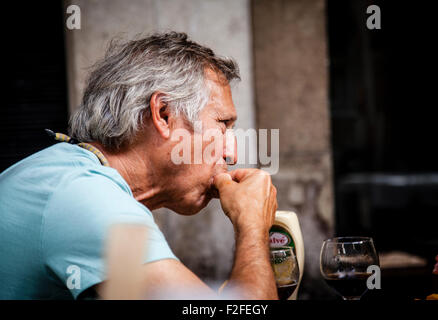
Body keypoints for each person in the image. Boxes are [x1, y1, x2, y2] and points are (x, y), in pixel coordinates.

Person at [0, 32, 278, 299]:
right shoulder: (85, 201)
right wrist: (252, 224)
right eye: (222, 125)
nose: (232, 154)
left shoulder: (81, 183)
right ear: (164, 114)